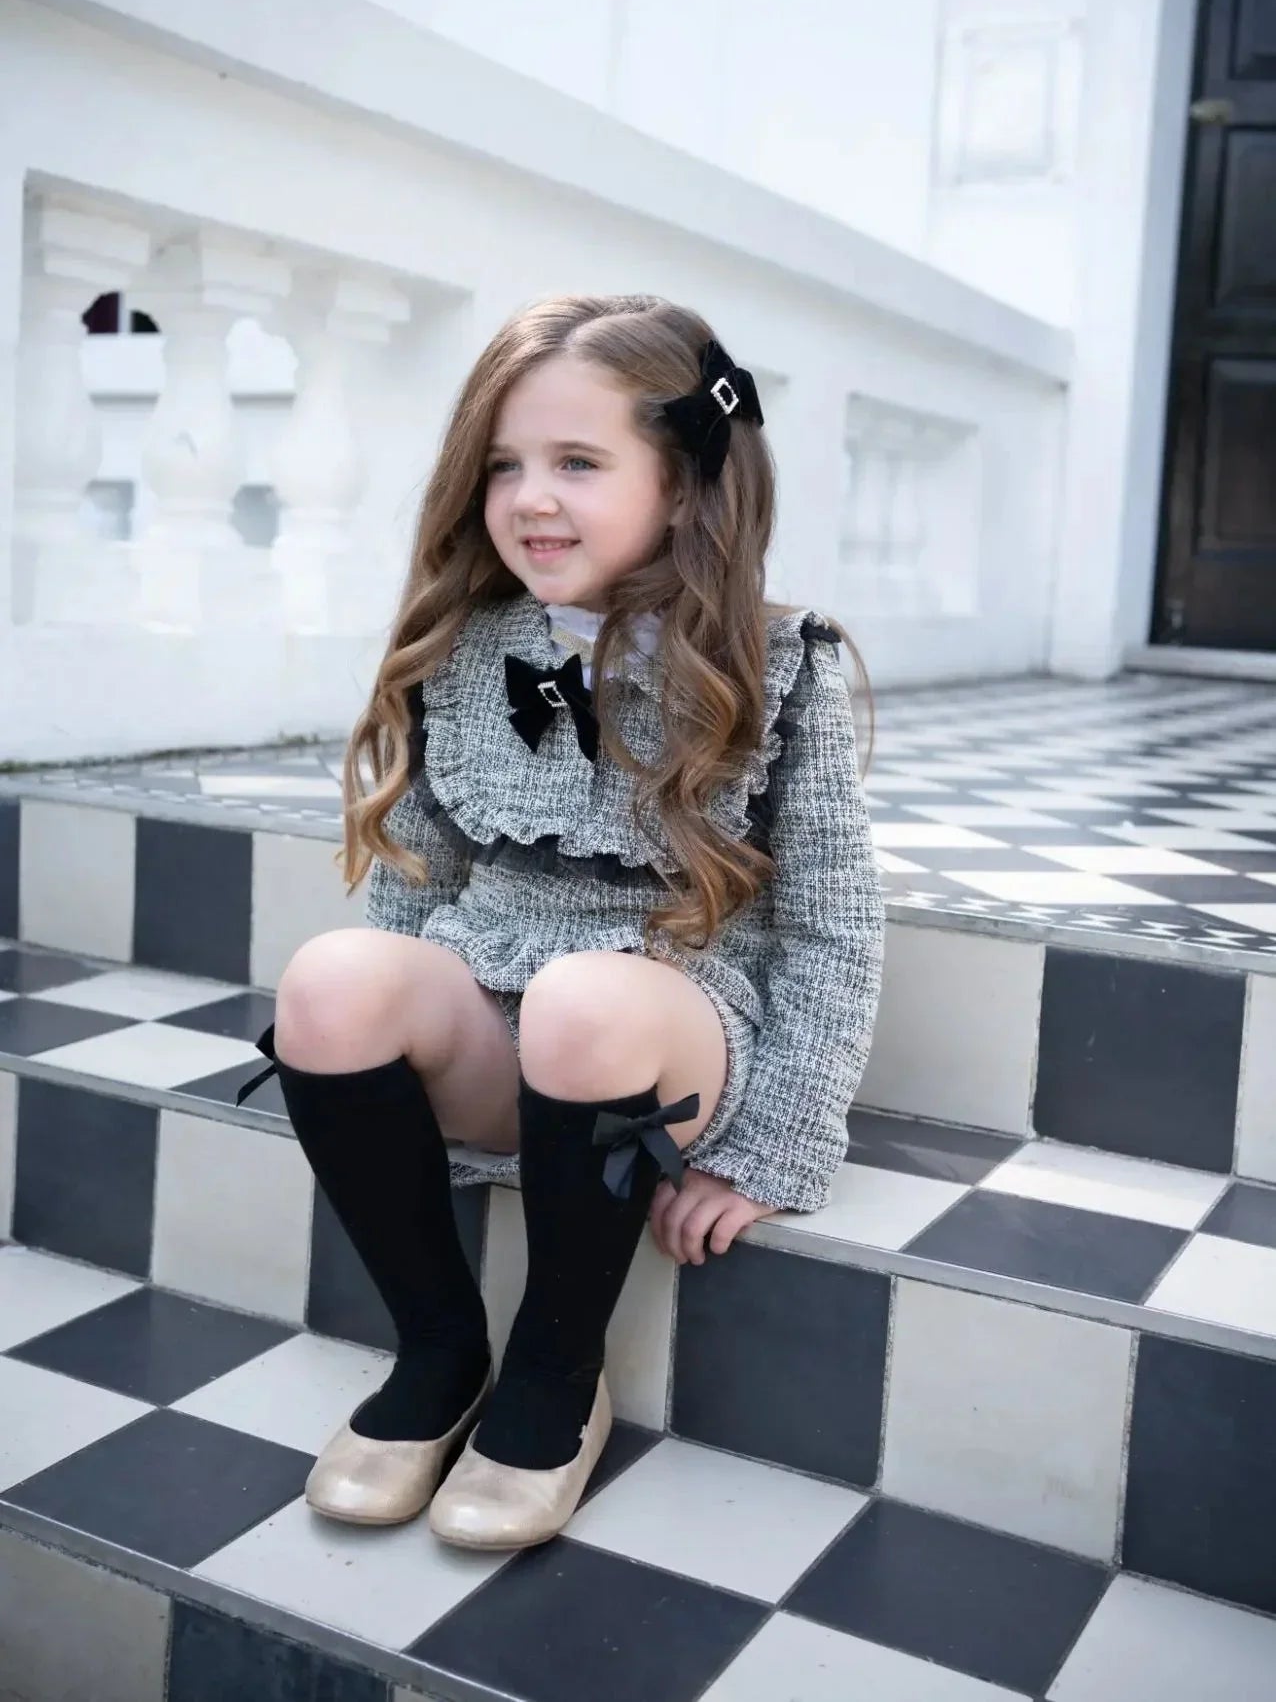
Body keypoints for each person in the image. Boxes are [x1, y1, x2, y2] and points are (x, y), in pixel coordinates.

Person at [235, 292, 885, 1552]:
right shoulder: (465, 647)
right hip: (496, 1017)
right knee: (330, 977)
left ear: (682, 484)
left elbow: (832, 926)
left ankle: (555, 1369)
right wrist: (367, 1054)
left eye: (578, 463)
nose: (530, 497)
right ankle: (438, 1347)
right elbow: (414, 888)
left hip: (664, 1033)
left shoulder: (778, 663)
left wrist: (774, 1149)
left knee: (584, 997)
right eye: (504, 466)